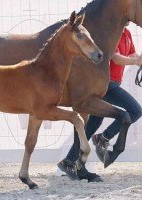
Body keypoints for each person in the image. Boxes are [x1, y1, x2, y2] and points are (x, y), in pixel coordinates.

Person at [58, 24, 142, 182]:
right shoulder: (113, 32)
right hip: (106, 84)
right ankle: (103, 138)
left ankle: (68, 161)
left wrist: (138, 58)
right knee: (136, 111)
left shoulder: (127, 33)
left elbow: (132, 53)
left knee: (91, 125)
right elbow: (115, 58)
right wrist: (135, 61)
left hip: (115, 83)